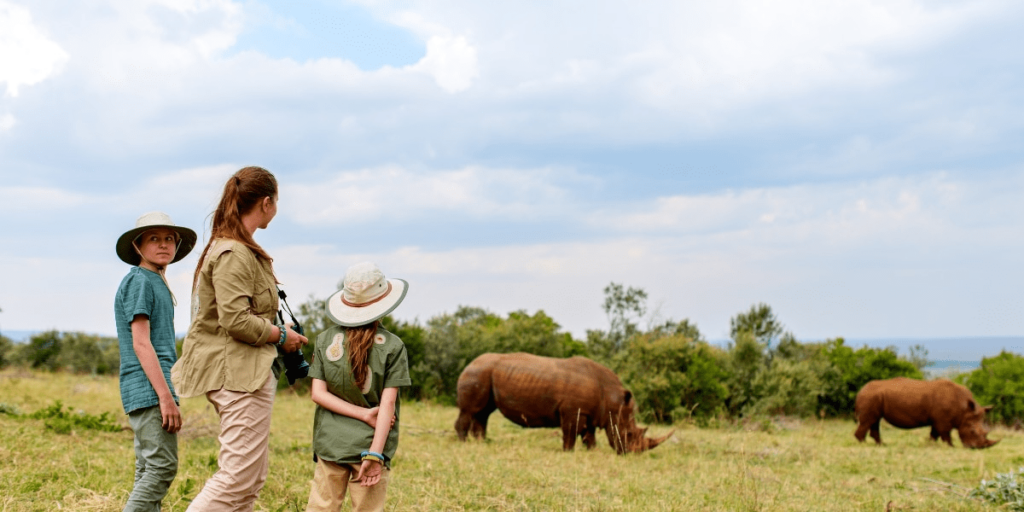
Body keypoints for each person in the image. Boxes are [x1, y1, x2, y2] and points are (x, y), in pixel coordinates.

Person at [171, 166, 308, 511]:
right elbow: (235, 320)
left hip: (246, 373)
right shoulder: (233, 252)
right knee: (235, 478)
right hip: (237, 376)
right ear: (266, 203)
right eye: (276, 201)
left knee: (250, 481)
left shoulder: (239, 248)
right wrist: (281, 336)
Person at [305, 262, 411, 512]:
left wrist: (360, 414)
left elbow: (317, 394)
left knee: (321, 507)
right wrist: (375, 455)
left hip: (330, 443)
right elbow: (387, 406)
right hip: (369, 446)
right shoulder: (394, 346)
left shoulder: (324, 340)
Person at [114, 211, 196, 511]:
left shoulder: (154, 280)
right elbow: (141, 342)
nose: (164, 245)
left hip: (151, 386)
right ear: (137, 245)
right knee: (162, 468)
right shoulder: (140, 281)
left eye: (169, 239)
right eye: (154, 238)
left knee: (147, 469)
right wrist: (165, 397)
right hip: (150, 388)